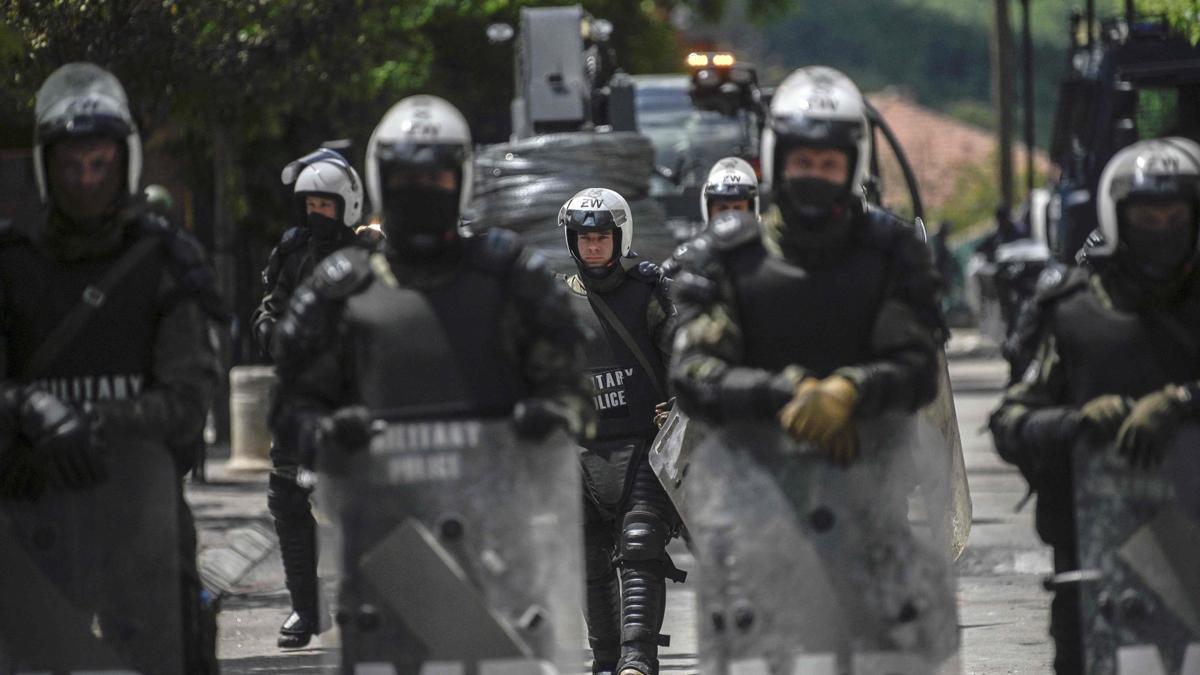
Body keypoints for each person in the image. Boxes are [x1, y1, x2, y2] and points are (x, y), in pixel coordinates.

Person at [269, 96, 593, 661]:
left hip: (498, 545)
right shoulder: (338, 290)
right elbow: (290, 409)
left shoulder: (511, 278)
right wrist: (327, 434)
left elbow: (576, 394)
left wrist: (546, 418)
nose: (422, 191)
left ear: (461, 180)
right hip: (384, 554)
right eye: (406, 178)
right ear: (379, 180)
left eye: (437, 176)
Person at [668, 66, 951, 662]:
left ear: (854, 166)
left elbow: (919, 364)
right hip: (757, 513)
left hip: (871, 504)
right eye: (803, 163)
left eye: (829, 164)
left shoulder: (893, 254)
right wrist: (784, 393)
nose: (815, 177)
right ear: (777, 160)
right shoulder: (725, 260)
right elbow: (694, 373)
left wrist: (851, 390)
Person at [0, 62, 225, 673]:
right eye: (71, 166)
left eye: (98, 164)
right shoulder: (12, 263)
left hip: (140, 524)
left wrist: (91, 422)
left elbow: (186, 400)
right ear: (47, 169)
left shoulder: (166, 260)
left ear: (123, 162)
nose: (85, 181)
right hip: (32, 523)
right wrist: (30, 409)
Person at [990, 137, 1200, 675]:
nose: (1163, 229)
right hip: (1096, 565)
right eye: (1146, 217)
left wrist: (1182, 401)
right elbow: (1012, 421)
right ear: (1116, 217)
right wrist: (1077, 423)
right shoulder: (1072, 311)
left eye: (1176, 214)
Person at [251, 147, 377, 648]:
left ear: (344, 203)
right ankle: (306, 608)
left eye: (324, 205)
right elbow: (269, 308)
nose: (315, 214)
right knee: (287, 496)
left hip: (355, 395)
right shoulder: (292, 251)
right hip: (300, 395)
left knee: (362, 503)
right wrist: (274, 334)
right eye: (310, 205)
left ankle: (367, 604)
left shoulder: (370, 254)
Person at [556, 188, 682, 675]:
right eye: (584, 238)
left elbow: (682, 358)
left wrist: (675, 410)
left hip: (643, 447)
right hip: (580, 450)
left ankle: (637, 659)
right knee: (587, 556)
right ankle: (606, 660)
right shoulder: (556, 301)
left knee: (640, 544)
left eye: (601, 238)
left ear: (619, 238)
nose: (592, 248)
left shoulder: (650, 294)